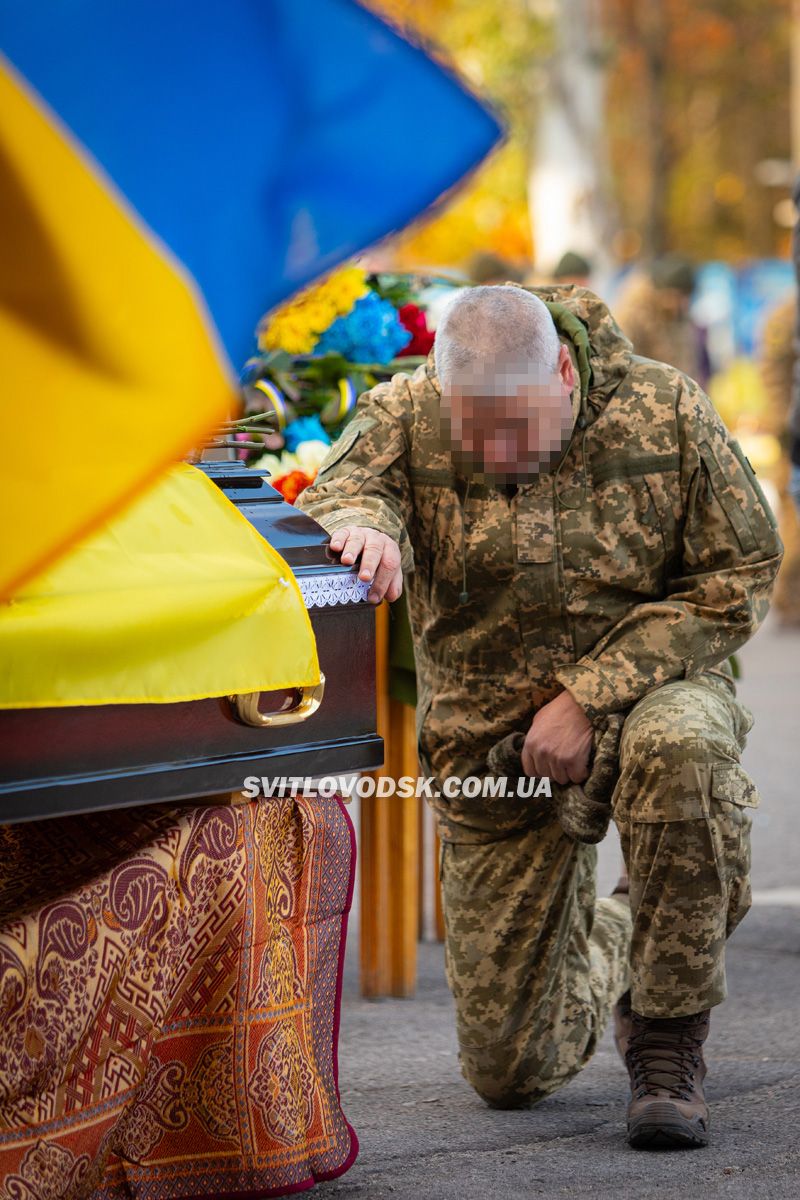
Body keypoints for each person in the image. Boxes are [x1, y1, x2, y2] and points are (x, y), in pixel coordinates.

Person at [296, 283, 782, 1150]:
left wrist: (592, 695)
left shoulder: (665, 406)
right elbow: (345, 490)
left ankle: (668, 1038)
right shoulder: (408, 410)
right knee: (511, 1073)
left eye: (515, 428)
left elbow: (740, 573)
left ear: (563, 370)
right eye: (473, 432)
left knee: (685, 749)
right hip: (492, 750)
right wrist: (361, 525)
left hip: (649, 698)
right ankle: (638, 914)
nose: (495, 452)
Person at [615, 254, 710, 387]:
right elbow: (621, 363)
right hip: (639, 393)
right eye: (675, 297)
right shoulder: (631, 315)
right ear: (661, 292)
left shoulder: (680, 315)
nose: (679, 304)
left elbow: (685, 360)